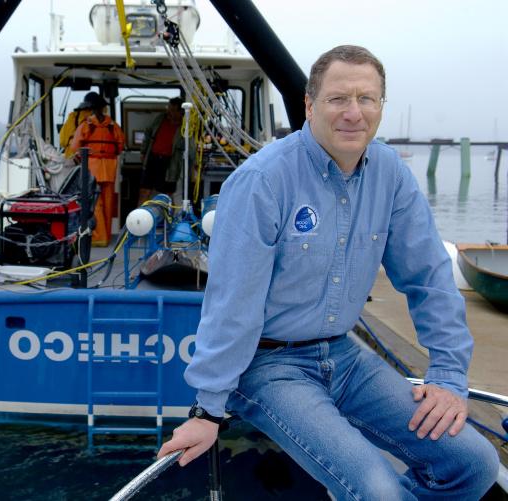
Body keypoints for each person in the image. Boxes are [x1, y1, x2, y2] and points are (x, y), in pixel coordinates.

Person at [158, 45, 498, 499]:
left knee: (474, 463)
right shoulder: (263, 181)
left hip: (344, 354)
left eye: (367, 99)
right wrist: (208, 409)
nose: (353, 113)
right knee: (377, 490)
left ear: (381, 106)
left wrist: (448, 376)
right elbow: (233, 304)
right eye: (339, 98)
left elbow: (429, 277)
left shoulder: (391, 175)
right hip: (268, 365)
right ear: (310, 105)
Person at [70, 92, 124, 247]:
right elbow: (120, 146)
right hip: (109, 168)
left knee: (95, 204)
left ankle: (99, 238)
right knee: (108, 203)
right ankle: (106, 236)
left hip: (92, 169)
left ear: (91, 109)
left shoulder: (85, 125)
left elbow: (75, 147)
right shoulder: (113, 126)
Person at [138, 97, 188, 205]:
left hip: (170, 163)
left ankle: (169, 220)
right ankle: (138, 217)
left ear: (180, 112)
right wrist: (143, 152)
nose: (169, 112)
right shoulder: (160, 118)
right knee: (144, 191)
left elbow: (189, 147)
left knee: (168, 195)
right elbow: (148, 133)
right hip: (153, 158)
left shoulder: (185, 126)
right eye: (168, 108)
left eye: (172, 110)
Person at [58, 91, 97, 158]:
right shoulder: (96, 119)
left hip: (71, 158)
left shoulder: (72, 117)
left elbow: (62, 141)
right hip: (91, 159)